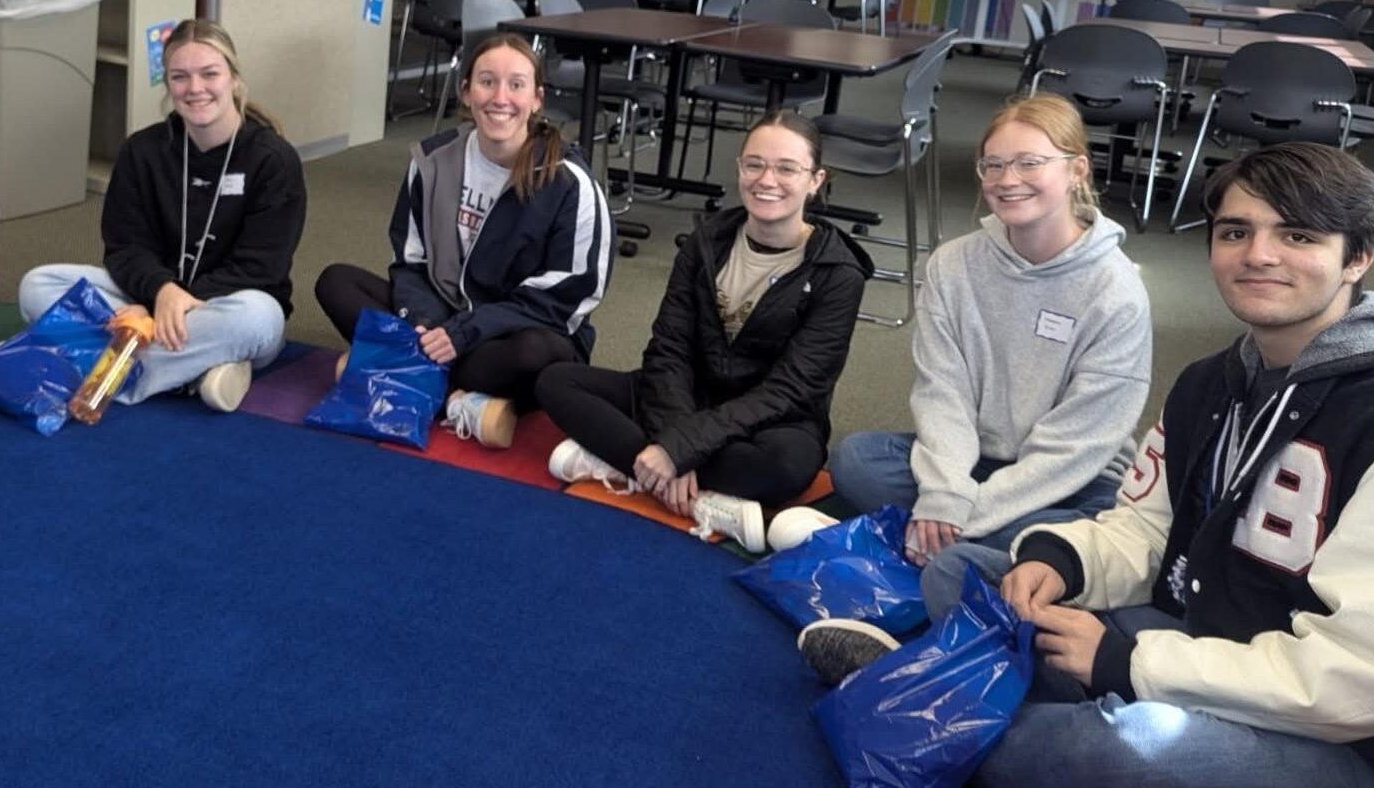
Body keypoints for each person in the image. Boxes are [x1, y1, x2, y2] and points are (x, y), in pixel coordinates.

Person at [808, 144, 1374, 788]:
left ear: (1357, 258)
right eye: (1236, 231)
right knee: (972, 573)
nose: (1259, 255)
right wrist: (1062, 560)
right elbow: (1148, 527)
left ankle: (915, 704)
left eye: (1298, 235)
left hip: (1350, 755)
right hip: (1210, 641)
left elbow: (1361, 679)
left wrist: (1127, 664)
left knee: (1134, 743)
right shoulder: (1210, 383)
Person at [820, 93, 1152, 568]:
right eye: (993, 165)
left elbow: (1080, 444)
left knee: (1091, 526)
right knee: (855, 461)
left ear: (1077, 170)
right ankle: (977, 552)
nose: (1007, 180)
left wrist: (962, 515)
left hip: (1075, 478)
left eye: (1029, 163)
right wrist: (945, 492)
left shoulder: (1116, 291)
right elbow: (943, 393)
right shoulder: (953, 265)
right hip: (973, 458)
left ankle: (948, 541)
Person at [535, 111, 872, 551]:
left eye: (787, 168)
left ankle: (624, 463)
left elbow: (790, 390)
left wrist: (679, 448)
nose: (767, 180)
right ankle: (692, 489)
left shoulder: (838, 272)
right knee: (557, 380)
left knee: (786, 467)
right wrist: (677, 441)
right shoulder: (707, 239)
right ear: (739, 169)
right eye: (755, 165)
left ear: (815, 180)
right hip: (692, 396)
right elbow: (668, 349)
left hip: (772, 420)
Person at [313, 32, 613, 448]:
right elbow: (411, 261)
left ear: (537, 98)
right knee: (335, 282)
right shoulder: (433, 160)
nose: (500, 98)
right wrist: (426, 322)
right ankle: (459, 398)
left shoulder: (570, 182)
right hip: (443, 314)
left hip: (517, 331)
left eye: (516, 84)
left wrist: (466, 332)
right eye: (487, 82)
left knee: (534, 356)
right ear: (467, 92)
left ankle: (397, 371)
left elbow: (569, 294)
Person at [17, 19, 305, 413]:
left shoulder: (273, 160)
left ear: (235, 80)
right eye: (180, 77)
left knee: (257, 318)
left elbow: (261, 267)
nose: (195, 88)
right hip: (149, 295)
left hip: (224, 307)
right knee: (38, 284)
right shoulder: (142, 151)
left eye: (210, 74)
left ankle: (96, 368)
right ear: (168, 85)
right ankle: (193, 372)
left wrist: (157, 310)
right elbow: (124, 246)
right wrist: (159, 292)